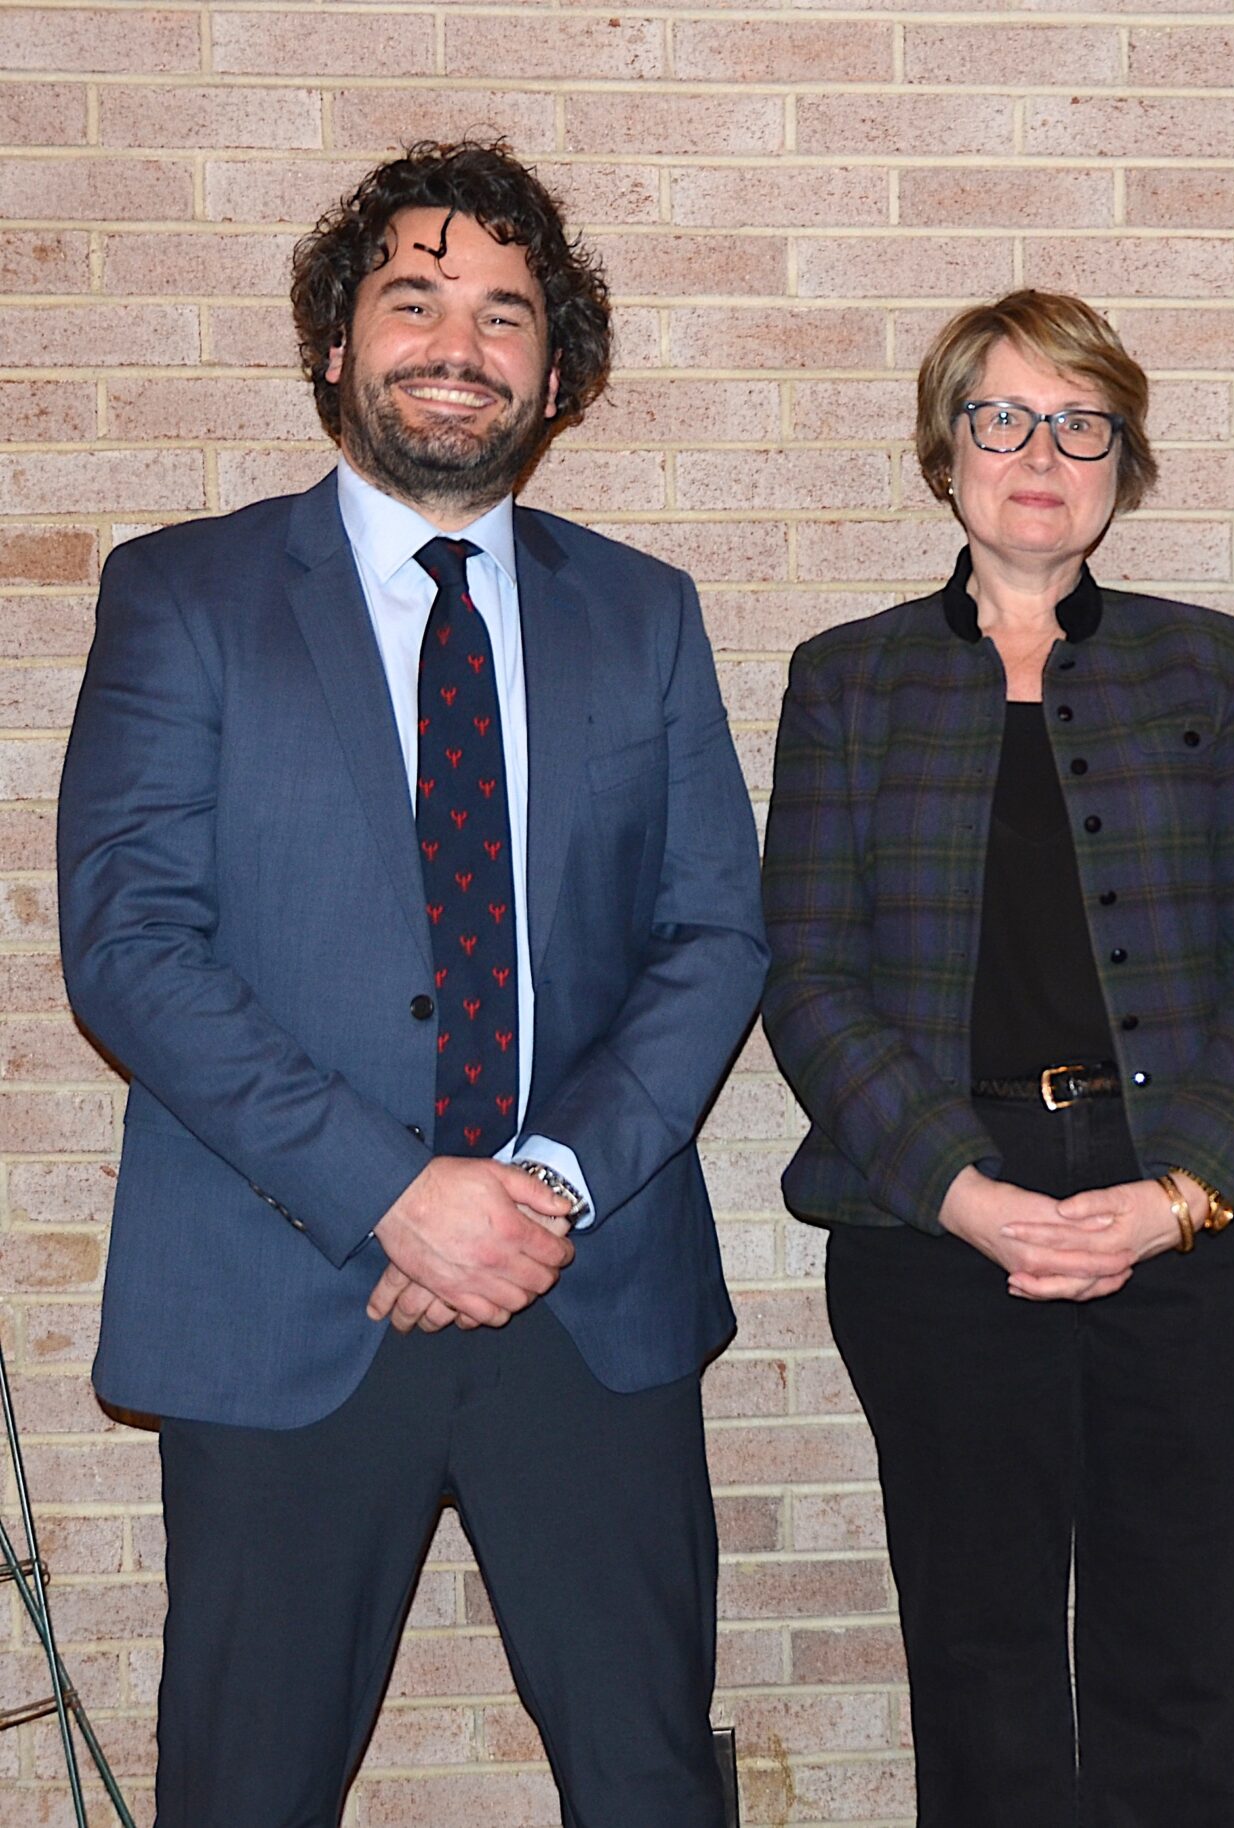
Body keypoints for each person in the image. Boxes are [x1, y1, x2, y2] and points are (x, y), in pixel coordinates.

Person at [54, 141, 767, 1825]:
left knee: (654, 1781)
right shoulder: (184, 594)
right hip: (284, 1294)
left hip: (583, 1293)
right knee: (246, 1789)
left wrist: (540, 1189)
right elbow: (131, 945)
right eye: (416, 298)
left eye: (507, 313)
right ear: (334, 341)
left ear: (555, 369)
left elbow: (714, 934)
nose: (462, 342)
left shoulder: (647, 616)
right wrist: (394, 1195)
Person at [761, 288, 1234, 1828]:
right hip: (939, 1233)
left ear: (1121, 462)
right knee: (980, 1664)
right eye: (1000, 416)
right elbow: (809, 977)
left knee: (1184, 1665)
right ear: (945, 451)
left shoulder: (1206, 667)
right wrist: (963, 1193)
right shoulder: (849, 681)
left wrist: (1184, 1191)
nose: (1040, 452)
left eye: (1081, 423)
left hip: (1193, 1236)